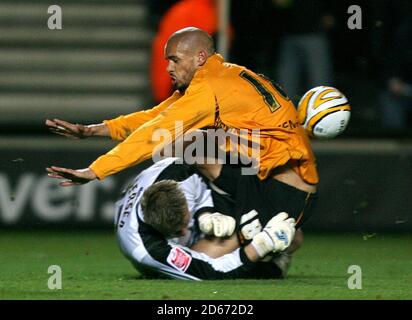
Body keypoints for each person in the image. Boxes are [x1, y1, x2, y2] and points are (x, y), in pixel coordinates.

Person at [46, 27, 318, 233]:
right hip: (286, 182)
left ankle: (228, 220)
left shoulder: (207, 89)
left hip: (282, 191)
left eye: (175, 60)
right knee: (197, 141)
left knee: (186, 142)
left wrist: (96, 170)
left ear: (200, 57)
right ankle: (240, 223)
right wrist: (93, 131)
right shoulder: (221, 75)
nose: (168, 67)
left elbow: (155, 132)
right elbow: (156, 116)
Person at [115, 157, 296, 280]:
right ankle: (270, 264)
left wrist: (205, 214)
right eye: (178, 231)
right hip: (184, 252)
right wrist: (261, 245)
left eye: (185, 222)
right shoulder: (148, 249)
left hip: (207, 208)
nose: (184, 230)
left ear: (180, 193)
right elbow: (210, 271)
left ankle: (258, 211)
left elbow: (198, 182)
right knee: (293, 238)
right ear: (157, 230)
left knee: (209, 160)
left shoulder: (176, 172)